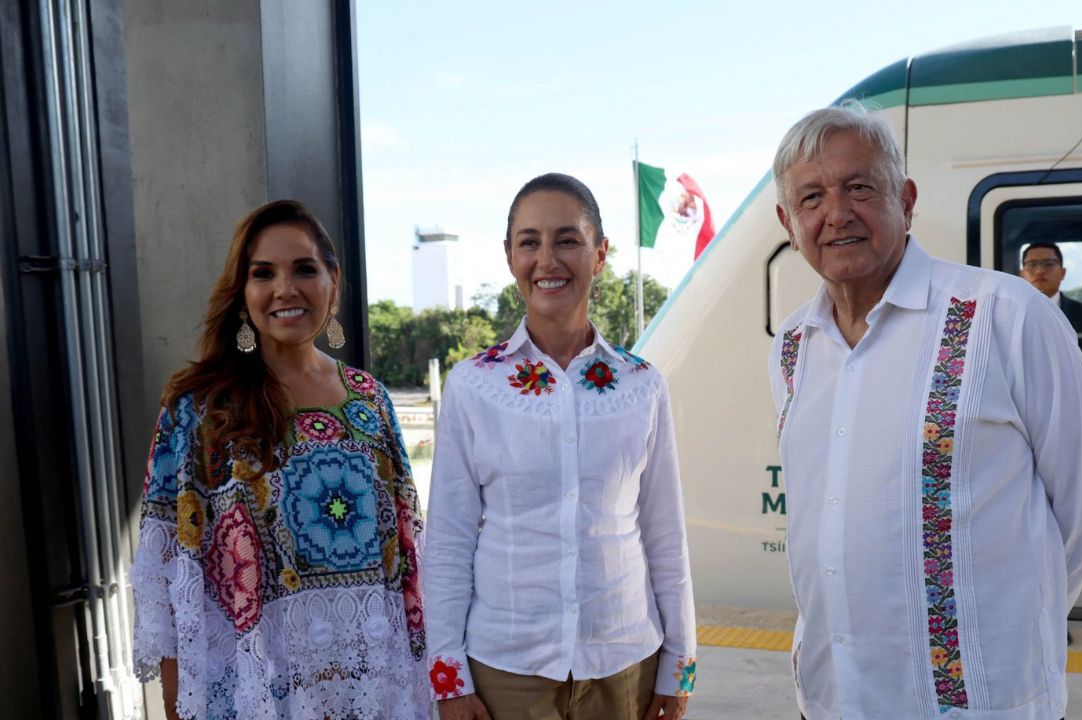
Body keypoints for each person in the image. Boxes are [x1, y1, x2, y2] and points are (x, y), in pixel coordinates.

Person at [768, 104, 1082, 720]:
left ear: (905, 199)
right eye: (812, 197)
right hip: (830, 699)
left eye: (859, 187)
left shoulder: (1008, 316)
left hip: (980, 705)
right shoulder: (793, 346)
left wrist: (1010, 638)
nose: (837, 213)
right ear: (788, 222)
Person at [129, 200, 431, 719]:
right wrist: (179, 708)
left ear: (332, 282)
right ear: (243, 295)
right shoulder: (200, 410)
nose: (285, 289)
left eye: (304, 269)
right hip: (257, 694)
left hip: (375, 689)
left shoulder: (371, 402)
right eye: (263, 273)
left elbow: (408, 561)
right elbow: (170, 574)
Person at [425, 173, 696, 720]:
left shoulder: (642, 385)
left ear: (600, 255)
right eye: (529, 242)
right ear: (509, 257)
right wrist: (448, 678)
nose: (547, 259)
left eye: (567, 240)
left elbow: (665, 534)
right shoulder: (473, 385)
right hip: (505, 670)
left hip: (625, 666)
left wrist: (680, 664)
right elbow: (449, 542)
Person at [1019, 241, 1082, 418]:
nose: (1040, 270)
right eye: (1032, 264)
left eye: (1049, 264)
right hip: (1023, 416)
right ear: (1021, 273)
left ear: (1063, 272)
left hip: (1071, 414)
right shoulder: (1007, 315)